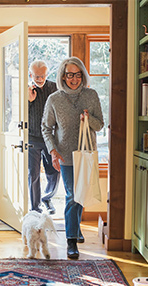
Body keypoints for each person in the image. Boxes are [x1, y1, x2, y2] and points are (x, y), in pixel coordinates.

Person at [41, 57, 104, 259]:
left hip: (86, 153)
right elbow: (46, 128)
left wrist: (89, 118)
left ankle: (75, 230)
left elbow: (100, 125)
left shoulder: (91, 95)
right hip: (66, 155)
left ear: (82, 75)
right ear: (63, 76)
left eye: (78, 74)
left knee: (81, 194)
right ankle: (71, 241)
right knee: (71, 195)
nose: (74, 79)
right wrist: (53, 151)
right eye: (70, 74)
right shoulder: (54, 99)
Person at [27, 60, 60, 214]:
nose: (39, 79)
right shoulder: (26, 89)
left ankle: (47, 198)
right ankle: (35, 207)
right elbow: (18, 114)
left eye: (42, 76)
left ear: (47, 74)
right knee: (33, 173)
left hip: (51, 137)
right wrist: (29, 100)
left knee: (54, 171)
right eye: (36, 76)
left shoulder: (54, 88)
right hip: (32, 137)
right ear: (30, 74)